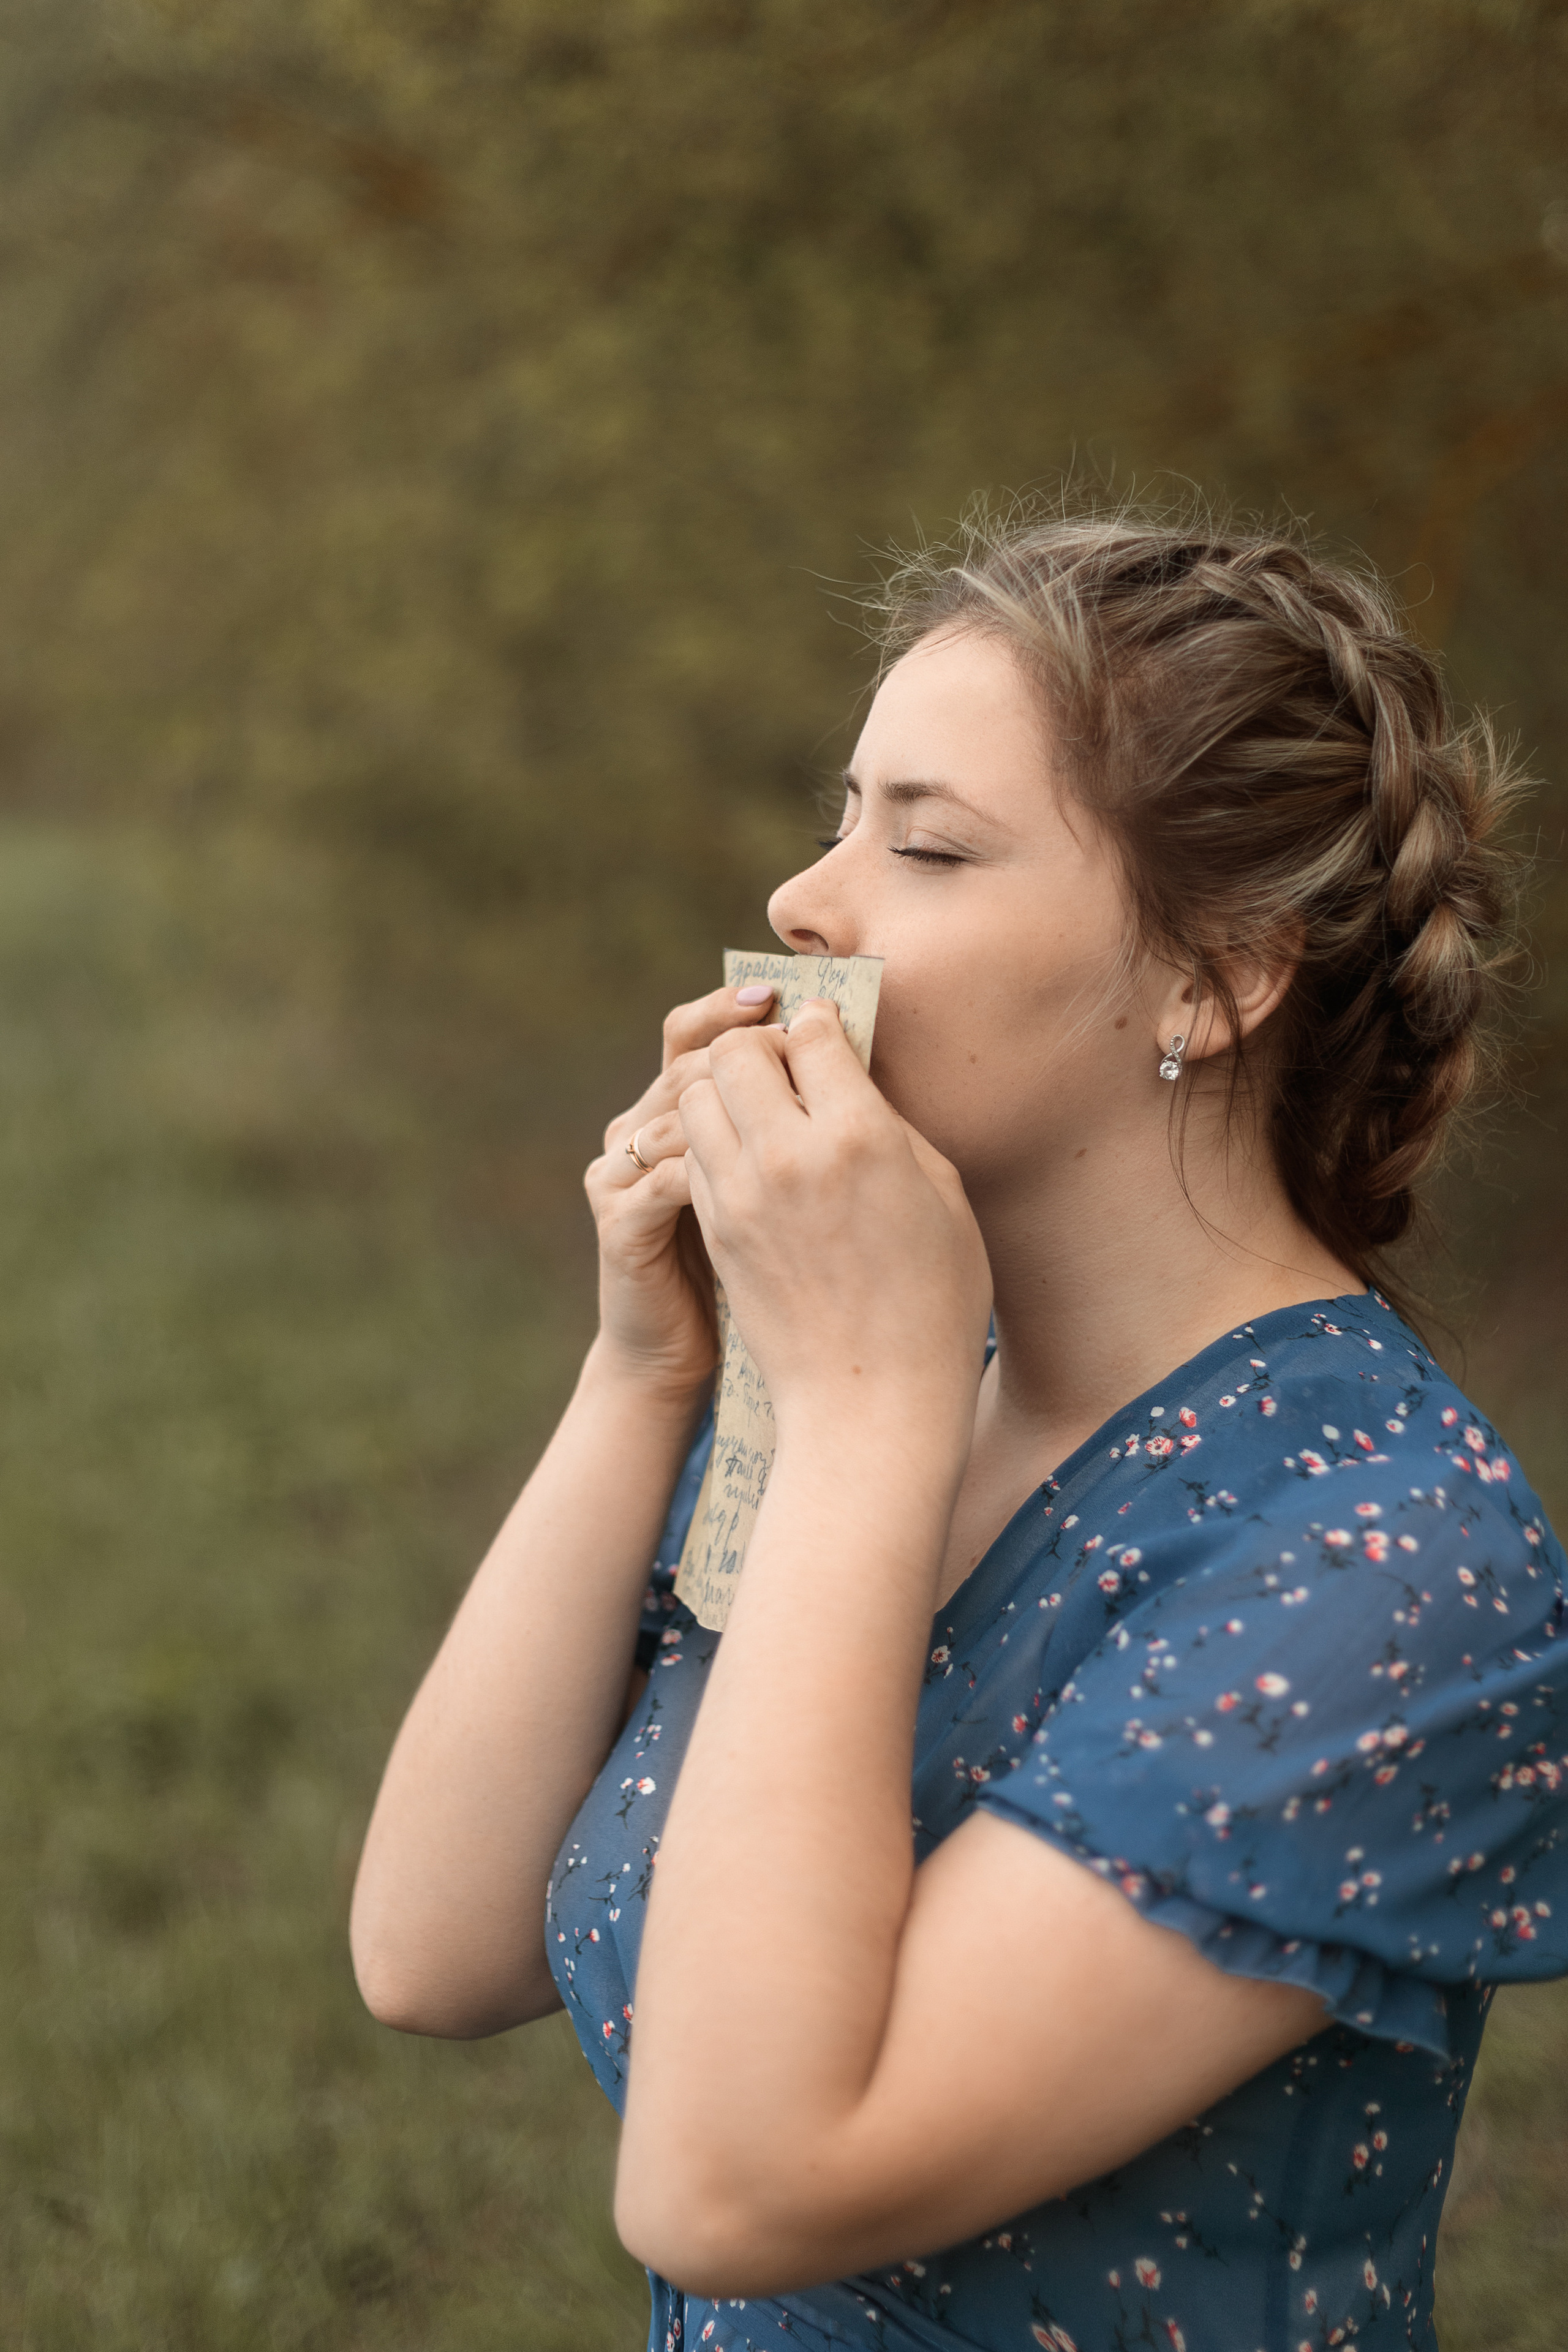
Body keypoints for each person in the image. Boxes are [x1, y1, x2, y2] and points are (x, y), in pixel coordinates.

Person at [349, 509, 1568, 2352]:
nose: (804, 901)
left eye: (923, 845)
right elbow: (435, 1949)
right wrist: (648, 1370)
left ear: (1216, 977)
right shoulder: (875, 1369)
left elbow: (731, 2192)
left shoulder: (1388, 1561)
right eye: (841, 817)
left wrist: (862, 1409)